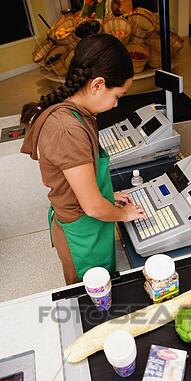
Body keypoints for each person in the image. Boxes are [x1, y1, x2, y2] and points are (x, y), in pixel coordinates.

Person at [21, 33, 145, 285]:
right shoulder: (68, 129)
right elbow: (92, 207)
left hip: (88, 225)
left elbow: (81, 179)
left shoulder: (80, 114)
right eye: (117, 96)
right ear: (97, 85)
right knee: (92, 298)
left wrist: (109, 194)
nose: (115, 105)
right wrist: (125, 214)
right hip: (81, 234)